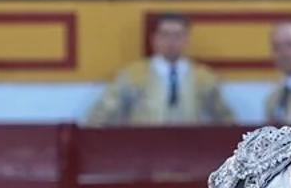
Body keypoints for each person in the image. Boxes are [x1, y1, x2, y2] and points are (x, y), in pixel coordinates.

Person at [87, 13, 233, 126]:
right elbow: (102, 115)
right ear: (154, 39)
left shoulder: (204, 77)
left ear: (186, 39)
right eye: (165, 35)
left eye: (177, 35)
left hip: (190, 148)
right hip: (144, 150)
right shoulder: (133, 74)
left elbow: (226, 119)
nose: (171, 41)